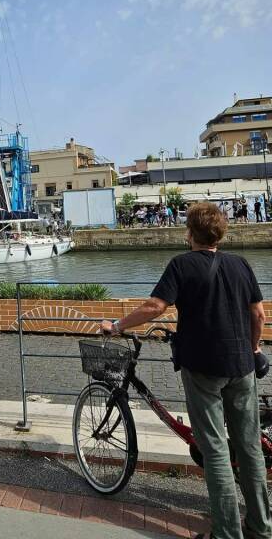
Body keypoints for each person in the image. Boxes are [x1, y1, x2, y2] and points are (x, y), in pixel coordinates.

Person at [101, 202, 271, 539]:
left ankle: (226, 533)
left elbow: (155, 306)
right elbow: (259, 315)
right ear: (219, 234)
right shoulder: (241, 265)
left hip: (203, 368)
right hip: (242, 367)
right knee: (249, 446)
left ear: (190, 233)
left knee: (215, 449)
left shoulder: (182, 264)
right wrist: (253, 348)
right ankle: (260, 527)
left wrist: (117, 325)